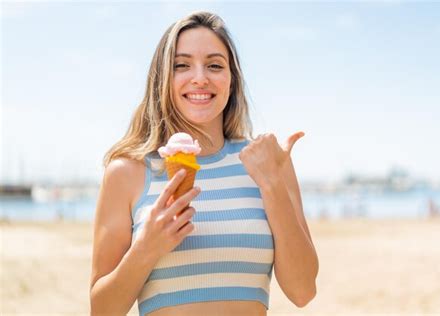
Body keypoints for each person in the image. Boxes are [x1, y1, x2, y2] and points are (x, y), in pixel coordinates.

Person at [90, 11, 318, 316]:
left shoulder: (267, 162)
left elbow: (303, 291)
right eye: (182, 65)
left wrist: (271, 183)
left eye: (214, 65)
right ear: (163, 79)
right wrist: (146, 249)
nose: (200, 77)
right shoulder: (126, 172)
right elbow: (102, 310)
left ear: (231, 80)